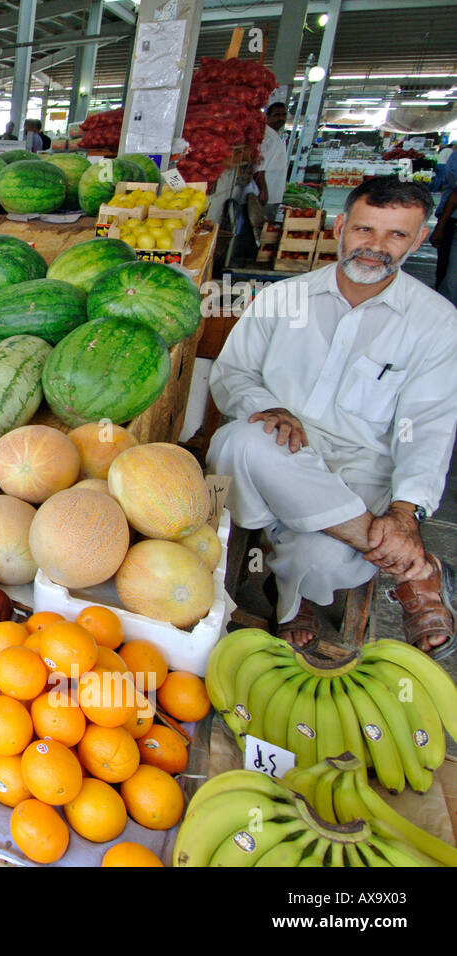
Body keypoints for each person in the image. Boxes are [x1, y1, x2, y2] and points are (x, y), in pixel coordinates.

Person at [207, 176, 457, 658]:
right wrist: (266, 406)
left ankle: (291, 587)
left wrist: (406, 512)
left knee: (320, 560)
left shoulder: (437, 323)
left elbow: (428, 425)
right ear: (340, 227)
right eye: (365, 230)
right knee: (241, 440)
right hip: (280, 449)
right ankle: (414, 567)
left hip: (360, 470)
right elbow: (231, 374)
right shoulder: (283, 299)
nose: (376, 247)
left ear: (420, 239)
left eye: (397, 236)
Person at [245, 101, 289, 239]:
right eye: (277, 115)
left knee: (264, 228)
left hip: (273, 192)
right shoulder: (267, 137)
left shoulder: (276, 135)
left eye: (283, 115)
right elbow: (259, 167)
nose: (281, 118)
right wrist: (263, 190)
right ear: (267, 116)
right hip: (265, 194)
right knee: (259, 229)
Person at [431, 147, 457, 307]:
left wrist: (440, 226)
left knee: (450, 279)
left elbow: (455, 196)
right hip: (451, 222)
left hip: (452, 222)